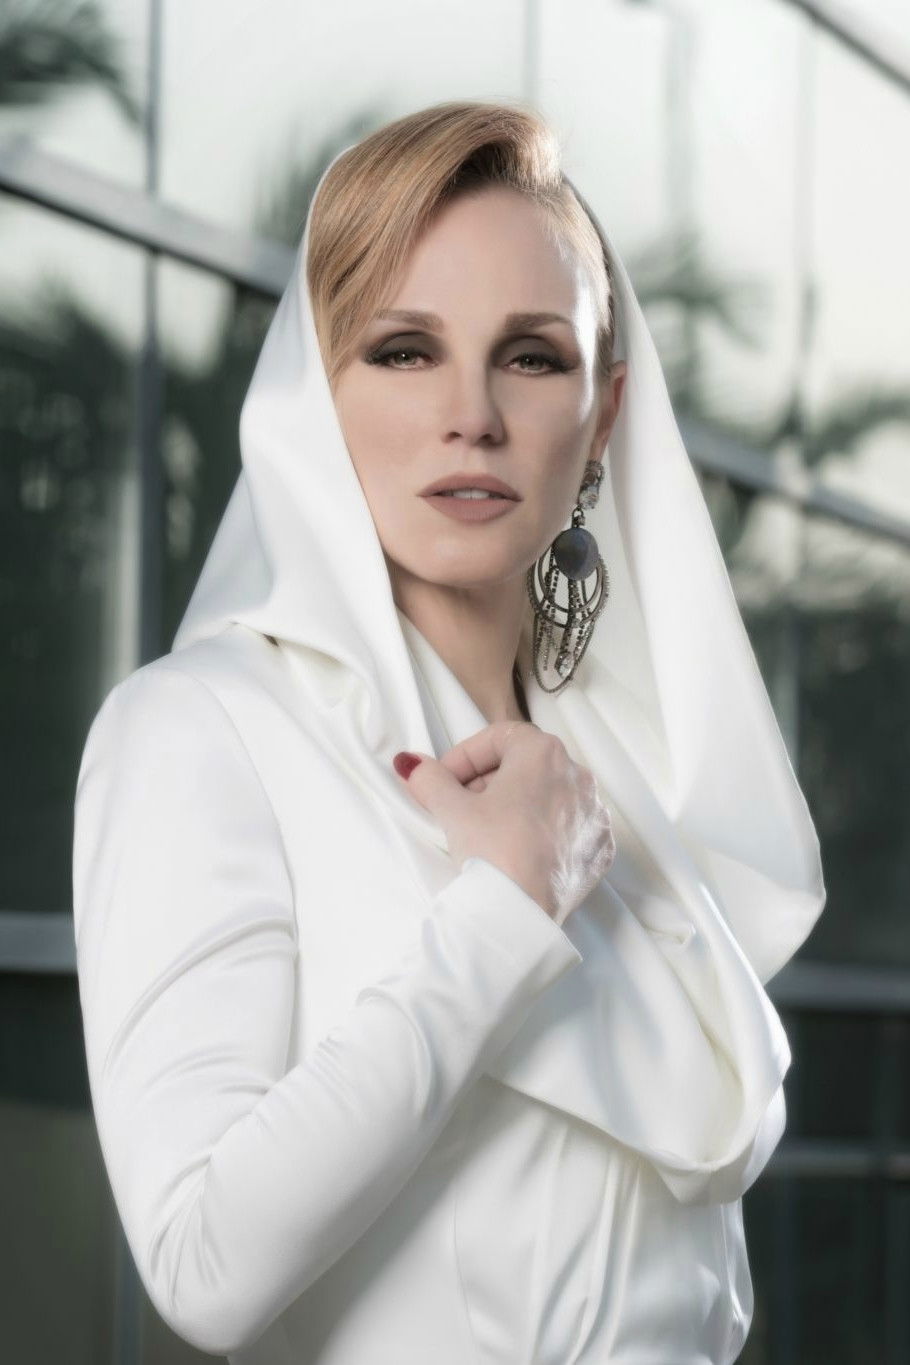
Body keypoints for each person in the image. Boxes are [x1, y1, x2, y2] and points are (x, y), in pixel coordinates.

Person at [72, 100, 826, 1363]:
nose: (470, 413)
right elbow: (201, 1265)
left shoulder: (616, 784)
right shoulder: (204, 731)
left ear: (602, 416)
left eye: (530, 356)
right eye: (404, 350)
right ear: (317, 392)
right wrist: (503, 911)